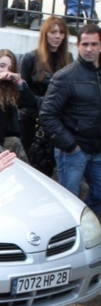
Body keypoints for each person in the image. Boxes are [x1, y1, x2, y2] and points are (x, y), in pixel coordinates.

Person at [40, 24, 101, 217]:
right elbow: (47, 115)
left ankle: (85, 225)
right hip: (74, 151)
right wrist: (71, 146)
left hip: (97, 150)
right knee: (68, 202)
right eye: (85, 44)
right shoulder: (66, 76)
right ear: (78, 45)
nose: (89, 49)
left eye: (94, 44)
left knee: (99, 194)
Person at [19, 15, 71, 173]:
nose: (57, 36)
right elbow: (21, 94)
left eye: (61, 33)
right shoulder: (30, 58)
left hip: (56, 121)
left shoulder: (68, 59)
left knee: (50, 166)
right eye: (53, 32)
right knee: (33, 165)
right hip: (32, 119)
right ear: (45, 34)